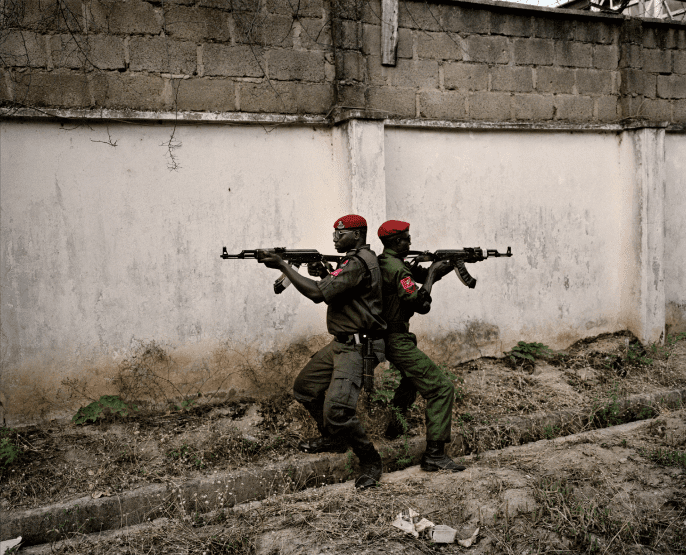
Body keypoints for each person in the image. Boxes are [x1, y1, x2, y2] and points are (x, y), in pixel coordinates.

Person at [258, 214, 386, 490]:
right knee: (305, 388)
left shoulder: (357, 262)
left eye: (341, 234)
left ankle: (371, 461)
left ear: (357, 235)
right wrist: (326, 274)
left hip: (357, 346)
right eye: (334, 234)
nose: (335, 238)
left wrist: (283, 265)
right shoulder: (355, 261)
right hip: (342, 343)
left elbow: (318, 294)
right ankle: (333, 439)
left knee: (338, 410)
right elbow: (346, 292)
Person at [377, 220, 466, 472]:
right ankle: (435, 455)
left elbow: (423, 275)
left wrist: (451, 263)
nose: (410, 242)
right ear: (396, 242)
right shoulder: (399, 270)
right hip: (395, 338)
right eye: (406, 238)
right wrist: (432, 276)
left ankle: (394, 427)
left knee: (412, 378)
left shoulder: (386, 262)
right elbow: (420, 304)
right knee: (441, 389)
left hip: (386, 335)